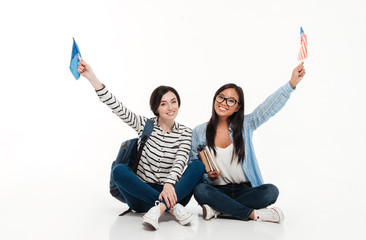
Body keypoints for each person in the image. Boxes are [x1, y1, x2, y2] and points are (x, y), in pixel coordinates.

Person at [77, 58, 205, 230]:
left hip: (175, 192)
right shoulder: (145, 125)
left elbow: (180, 162)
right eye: (163, 103)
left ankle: (159, 209)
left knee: (197, 165)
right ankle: (171, 208)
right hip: (141, 196)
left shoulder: (185, 133)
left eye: (173, 101)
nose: (170, 107)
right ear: (156, 108)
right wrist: (92, 78)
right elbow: (117, 107)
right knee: (119, 170)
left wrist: (168, 186)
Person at [190, 63, 306, 223]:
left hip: (245, 190)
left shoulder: (246, 125)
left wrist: (291, 84)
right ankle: (253, 214)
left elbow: (267, 108)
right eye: (221, 97)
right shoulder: (199, 132)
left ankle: (219, 209)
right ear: (215, 99)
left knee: (271, 191)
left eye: (231, 101)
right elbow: (193, 165)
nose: (224, 103)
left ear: (238, 107)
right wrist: (207, 176)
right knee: (200, 190)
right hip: (216, 190)